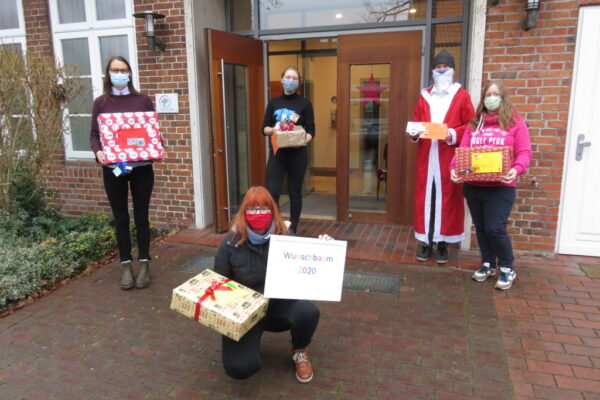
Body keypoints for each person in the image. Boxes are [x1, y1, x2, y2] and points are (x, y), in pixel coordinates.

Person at [214, 186, 324, 383]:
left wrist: (325, 249)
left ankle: (300, 349)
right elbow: (217, 283)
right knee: (240, 368)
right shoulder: (231, 242)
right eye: (252, 209)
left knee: (308, 311)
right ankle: (247, 343)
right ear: (244, 212)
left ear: (273, 211)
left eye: (264, 208)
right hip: (245, 312)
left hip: (278, 306)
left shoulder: (285, 236)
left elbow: (308, 262)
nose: (259, 213)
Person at [450, 80, 532, 290]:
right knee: (482, 228)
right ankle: (487, 263)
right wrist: (454, 169)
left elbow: (524, 152)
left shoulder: (515, 123)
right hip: (474, 186)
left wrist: (517, 169)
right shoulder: (474, 124)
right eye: (488, 94)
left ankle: (507, 267)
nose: (491, 98)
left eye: (495, 94)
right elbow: (462, 150)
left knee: (496, 228)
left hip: (501, 188)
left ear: (503, 98)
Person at [90, 56, 156, 290]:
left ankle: (145, 263)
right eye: (115, 70)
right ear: (108, 74)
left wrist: (159, 146)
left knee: (141, 216)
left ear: (130, 72)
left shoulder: (143, 100)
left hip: (141, 168)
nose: (119, 73)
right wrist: (98, 152)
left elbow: (152, 131)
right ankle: (126, 265)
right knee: (120, 217)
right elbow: (94, 134)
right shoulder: (101, 103)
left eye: (123, 69)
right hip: (115, 168)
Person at [408, 50, 475, 264]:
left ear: (453, 70)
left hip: (449, 157)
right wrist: (414, 134)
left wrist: (452, 133)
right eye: (438, 67)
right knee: (427, 199)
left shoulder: (461, 96)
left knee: (449, 199)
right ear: (433, 70)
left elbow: (471, 126)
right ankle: (426, 242)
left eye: (446, 66)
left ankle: (443, 243)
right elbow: (417, 123)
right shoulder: (424, 96)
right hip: (427, 158)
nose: (442, 70)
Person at [262, 66, 315, 234]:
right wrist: (274, 130)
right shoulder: (273, 103)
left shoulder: (304, 103)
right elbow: (263, 128)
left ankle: (293, 229)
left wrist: (302, 141)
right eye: (288, 77)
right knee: (272, 191)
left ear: (298, 83)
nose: (291, 80)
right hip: (277, 154)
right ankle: (276, 226)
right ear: (282, 80)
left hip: (297, 154)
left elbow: (311, 131)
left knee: (295, 192)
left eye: (294, 78)